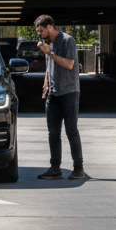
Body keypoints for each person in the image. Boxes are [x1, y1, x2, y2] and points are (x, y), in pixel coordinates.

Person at [35, 15, 84, 180]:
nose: (41, 35)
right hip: (53, 93)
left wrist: (51, 53)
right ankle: (55, 168)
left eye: (42, 31)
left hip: (69, 92)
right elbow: (50, 66)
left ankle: (78, 168)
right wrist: (46, 83)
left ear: (49, 26)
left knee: (71, 130)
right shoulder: (48, 44)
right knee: (53, 133)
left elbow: (69, 64)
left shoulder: (67, 40)